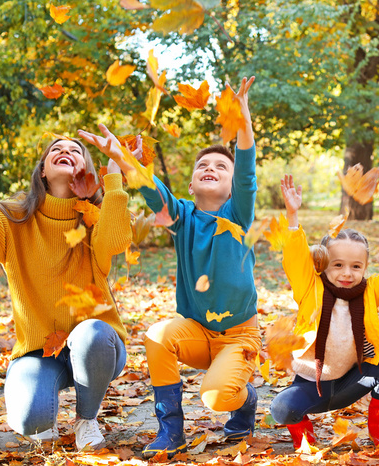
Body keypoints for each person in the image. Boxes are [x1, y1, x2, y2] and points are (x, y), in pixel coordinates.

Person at [0, 91, 133, 451]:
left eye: (76, 150)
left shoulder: (95, 220)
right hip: (38, 351)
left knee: (91, 334)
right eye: (56, 149)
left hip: (97, 345)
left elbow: (116, 240)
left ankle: (86, 420)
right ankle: (40, 402)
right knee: (32, 419)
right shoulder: (14, 220)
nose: (67, 151)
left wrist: (115, 174)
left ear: (86, 170)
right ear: (42, 170)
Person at [97, 77, 259, 458]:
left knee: (217, 397)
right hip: (198, 333)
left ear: (233, 185)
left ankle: (244, 400)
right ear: (191, 183)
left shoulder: (238, 215)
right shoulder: (181, 216)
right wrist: (122, 158)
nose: (211, 167)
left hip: (238, 338)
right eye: (203, 164)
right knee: (156, 335)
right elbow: (153, 191)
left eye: (221, 166)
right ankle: (171, 430)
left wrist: (243, 118)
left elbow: (249, 170)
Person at [269, 174, 379, 449]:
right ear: (324, 264)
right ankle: (305, 438)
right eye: (338, 265)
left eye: (355, 266)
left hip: (351, 381)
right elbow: (295, 259)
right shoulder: (310, 288)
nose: (346, 273)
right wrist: (292, 217)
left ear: (364, 268)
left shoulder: (367, 293)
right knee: (282, 407)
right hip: (311, 386)